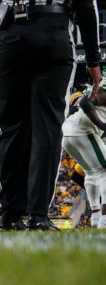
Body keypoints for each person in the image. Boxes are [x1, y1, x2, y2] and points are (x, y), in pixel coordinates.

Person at [0, 0, 101, 230]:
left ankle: (10, 215)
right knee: (47, 128)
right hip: (53, 33)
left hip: (10, 35)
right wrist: (93, 59)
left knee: (11, 129)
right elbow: (86, 5)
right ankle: (37, 216)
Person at [62, 81, 106, 228]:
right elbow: (84, 102)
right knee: (103, 172)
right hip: (82, 131)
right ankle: (104, 220)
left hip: (70, 132)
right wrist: (101, 124)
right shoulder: (100, 90)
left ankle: (96, 217)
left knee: (92, 174)